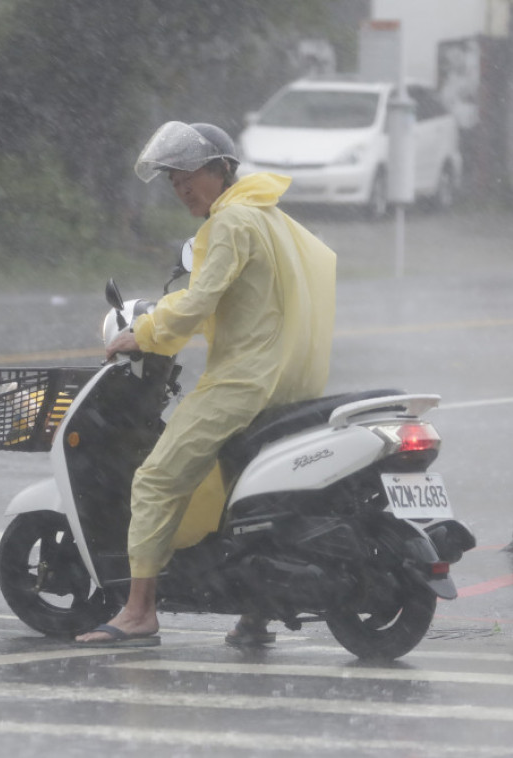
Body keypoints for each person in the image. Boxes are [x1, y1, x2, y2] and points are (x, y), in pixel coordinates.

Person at [75, 121, 337, 647]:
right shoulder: (273, 219)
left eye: (187, 174)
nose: (180, 188)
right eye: (172, 181)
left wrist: (143, 333)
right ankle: (255, 613)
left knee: (154, 480)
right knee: (243, 494)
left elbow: (200, 299)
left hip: (244, 381)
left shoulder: (231, 223)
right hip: (295, 382)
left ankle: (138, 610)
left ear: (221, 168)